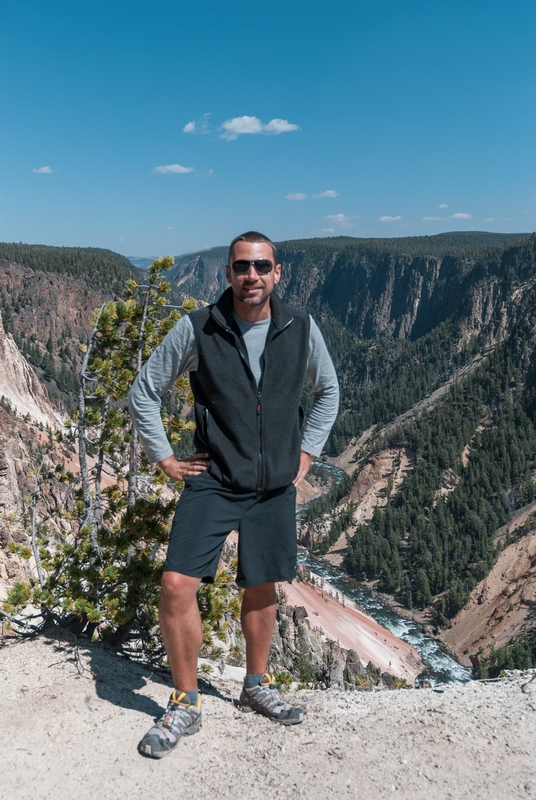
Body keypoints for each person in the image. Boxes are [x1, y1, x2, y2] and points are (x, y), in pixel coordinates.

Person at [128, 231, 339, 759]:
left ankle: (256, 684)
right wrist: (167, 460)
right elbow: (144, 391)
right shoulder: (198, 328)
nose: (252, 276)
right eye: (242, 266)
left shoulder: (301, 328)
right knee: (177, 584)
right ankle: (185, 700)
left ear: (278, 272)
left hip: (273, 486)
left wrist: (307, 453)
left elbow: (328, 390)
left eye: (261, 266)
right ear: (227, 273)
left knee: (263, 584)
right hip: (215, 478)